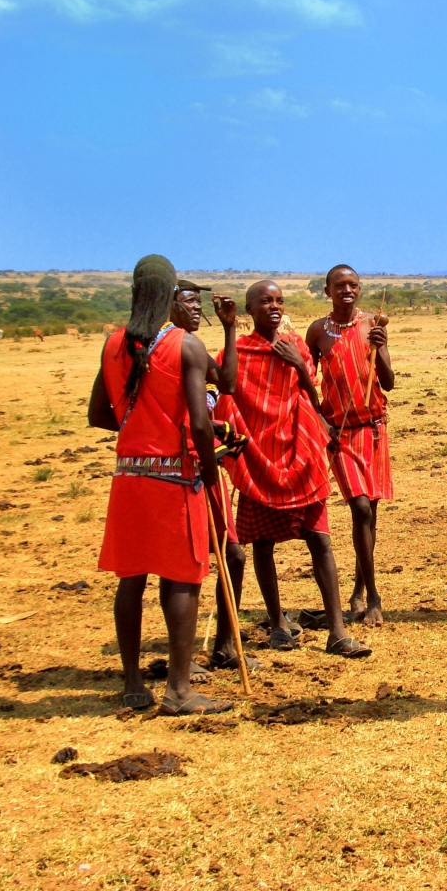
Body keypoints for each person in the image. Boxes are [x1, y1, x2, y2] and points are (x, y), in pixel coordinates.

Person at [87, 255, 231, 716]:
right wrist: (208, 470)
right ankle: (179, 690)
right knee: (182, 580)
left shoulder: (113, 344)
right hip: (174, 476)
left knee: (131, 581)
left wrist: (140, 432)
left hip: (129, 477)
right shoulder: (185, 346)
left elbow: (97, 415)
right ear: (170, 292)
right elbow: (203, 425)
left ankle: (132, 684)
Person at [212, 280, 370, 658]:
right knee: (262, 545)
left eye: (279, 300)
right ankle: (277, 623)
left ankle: (337, 631)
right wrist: (228, 328)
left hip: (300, 453)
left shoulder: (296, 345)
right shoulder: (237, 351)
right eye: (265, 301)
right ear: (249, 310)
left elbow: (309, 394)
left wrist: (300, 363)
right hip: (257, 457)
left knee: (320, 539)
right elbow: (227, 394)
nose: (274, 306)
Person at [167, 280, 259, 671]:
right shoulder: (172, 349)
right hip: (186, 468)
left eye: (197, 303)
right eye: (187, 302)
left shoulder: (195, 348)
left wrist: (228, 328)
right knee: (190, 565)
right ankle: (187, 663)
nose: (194, 308)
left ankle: (224, 644)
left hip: (207, 463)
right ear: (167, 305)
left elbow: (229, 385)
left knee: (232, 555)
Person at [306, 265, 394, 627]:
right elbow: (304, 382)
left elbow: (387, 382)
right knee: (359, 508)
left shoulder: (372, 324)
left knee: (369, 513)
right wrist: (320, 421)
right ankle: (373, 595)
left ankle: (360, 589)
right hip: (338, 434)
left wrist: (380, 346)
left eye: (353, 285)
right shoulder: (317, 332)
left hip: (373, 428)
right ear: (327, 290)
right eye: (339, 285)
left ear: (359, 289)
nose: (347, 290)